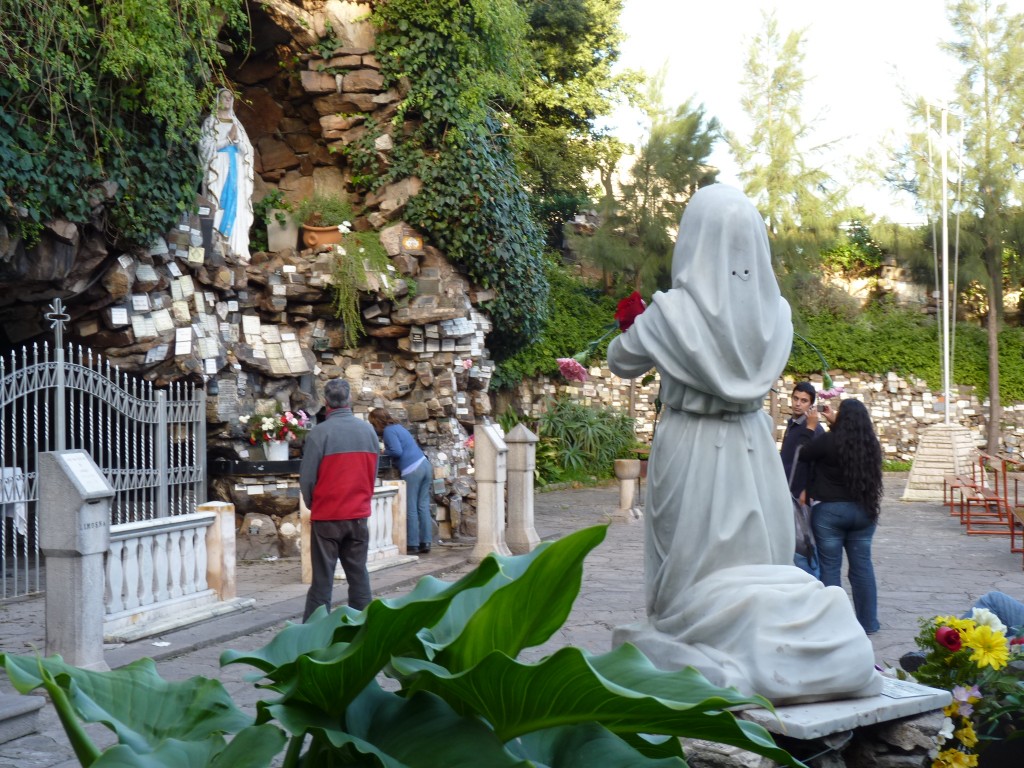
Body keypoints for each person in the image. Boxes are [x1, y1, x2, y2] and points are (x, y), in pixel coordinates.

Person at [606, 183, 880, 704]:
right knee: (759, 554)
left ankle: (686, 632)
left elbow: (621, 361)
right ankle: (754, 641)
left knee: (686, 565)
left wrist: (638, 323)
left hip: (691, 441)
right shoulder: (776, 313)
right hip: (753, 443)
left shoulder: (672, 314)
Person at [800, 398, 884, 634]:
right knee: (862, 568)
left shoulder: (828, 441)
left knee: (830, 568)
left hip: (830, 513)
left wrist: (811, 427)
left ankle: (834, 624)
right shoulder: (871, 445)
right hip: (863, 512)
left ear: (841, 418)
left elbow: (804, 453)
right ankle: (868, 623)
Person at [299, 380, 380, 621]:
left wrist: (314, 503)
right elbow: (372, 473)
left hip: (328, 516)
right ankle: (364, 629)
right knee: (358, 575)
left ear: (326, 402)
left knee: (322, 581)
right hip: (357, 514)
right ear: (349, 400)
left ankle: (312, 634)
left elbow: (307, 479)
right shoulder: (368, 431)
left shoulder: (319, 433)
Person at [199, 88, 255, 263]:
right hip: (218, 168)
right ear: (217, 100)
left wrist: (237, 142)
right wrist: (227, 140)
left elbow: (248, 150)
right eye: (224, 97)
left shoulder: (237, 125)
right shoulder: (210, 123)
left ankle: (236, 248)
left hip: (236, 169)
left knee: (236, 204)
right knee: (217, 202)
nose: (228, 100)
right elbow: (204, 147)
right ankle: (216, 247)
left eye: (230, 97)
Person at [368, 408, 433, 554]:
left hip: (412, 469)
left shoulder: (388, 431)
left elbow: (397, 451)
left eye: (373, 424)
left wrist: (384, 452)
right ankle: (426, 542)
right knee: (422, 506)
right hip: (424, 464)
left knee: (410, 506)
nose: (373, 427)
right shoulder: (398, 427)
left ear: (378, 422)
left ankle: (412, 544)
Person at [780, 381, 823, 499]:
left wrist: (807, 490)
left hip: (801, 494)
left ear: (811, 404)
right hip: (784, 487)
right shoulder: (792, 423)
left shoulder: (814, 429)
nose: (798, 404)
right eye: (795, 398)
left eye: (804, 401)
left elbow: (818, 465)